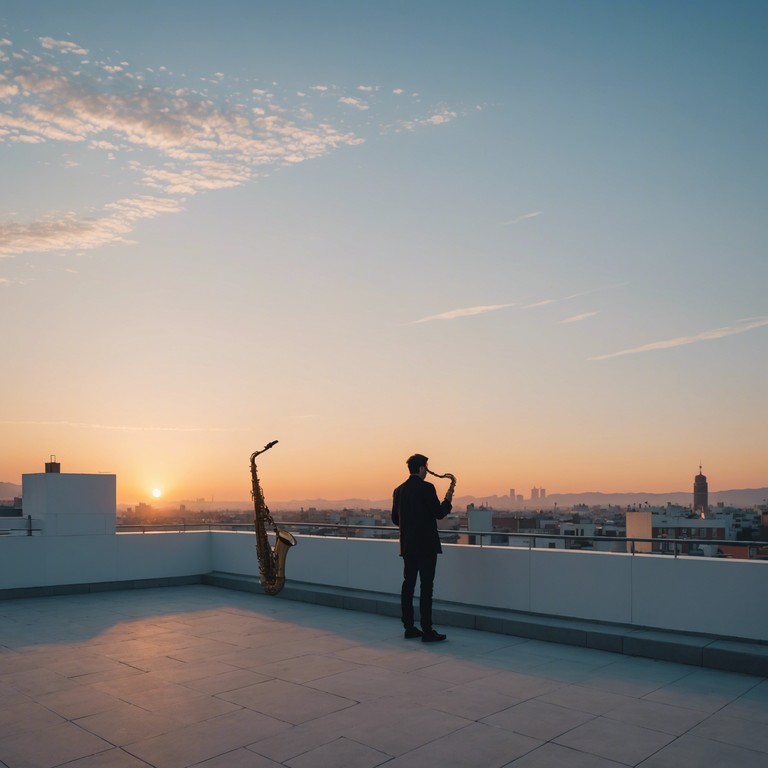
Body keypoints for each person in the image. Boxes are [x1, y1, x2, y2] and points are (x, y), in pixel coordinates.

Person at [391, 453, 453, 642]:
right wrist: (448, 500)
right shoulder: (427, 488)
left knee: (408, 585)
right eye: (426, 467)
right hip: (426, 546)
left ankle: (409, 627)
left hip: (408, 546)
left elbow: (395, 519)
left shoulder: (398, 490)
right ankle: (427, 630)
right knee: (426, 587)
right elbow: (439, 513)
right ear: (421, 468)